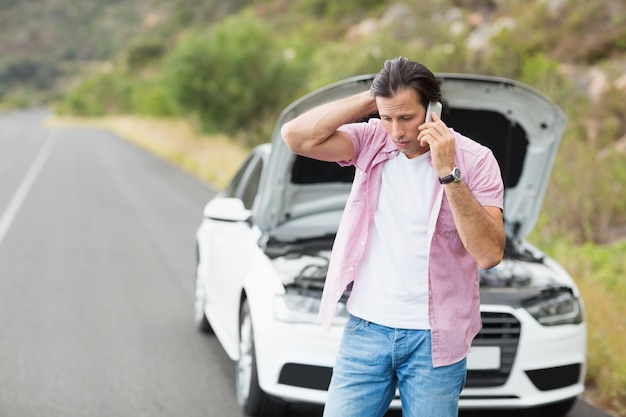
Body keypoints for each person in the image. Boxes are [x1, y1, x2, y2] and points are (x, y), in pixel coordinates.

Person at [281, 57, 505, 417]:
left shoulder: (476, 160)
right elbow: (296, 137)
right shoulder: (372, 140)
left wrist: (449, 173)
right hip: (366, 330)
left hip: (436, 340)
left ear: (433, 110)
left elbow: (489, 253)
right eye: (388, 118)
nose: (397, 132)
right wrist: (373, 100)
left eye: (406, 118)